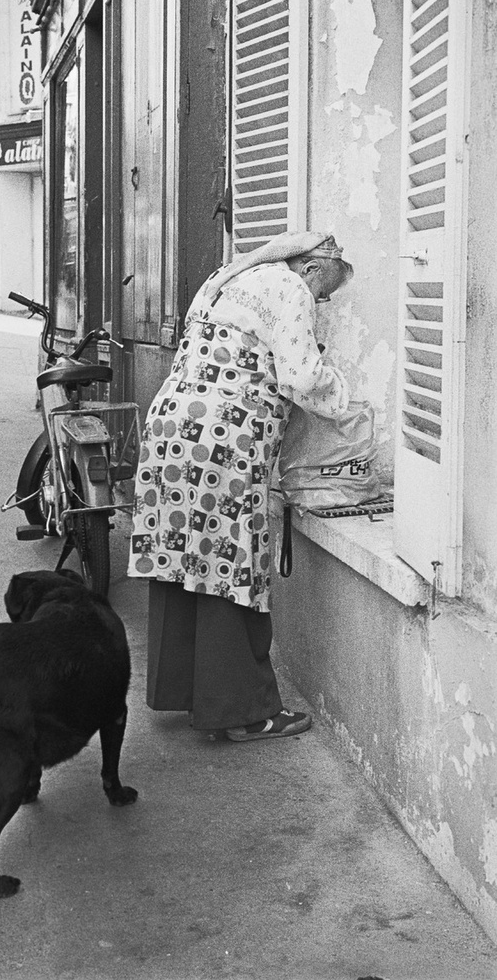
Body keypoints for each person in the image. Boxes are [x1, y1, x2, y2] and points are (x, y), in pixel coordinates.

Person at [127, 231, 354, 741]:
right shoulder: (289, 288)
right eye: (325, 294)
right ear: (313, 269)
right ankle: (243, 714)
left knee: (184, 557)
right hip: (224, 440)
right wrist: (347, 402)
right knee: (232, 564)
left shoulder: (227, 278)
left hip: (171, 430)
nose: (321, 303)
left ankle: (186, 693)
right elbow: (300, 375)